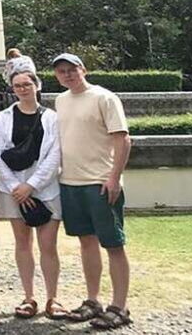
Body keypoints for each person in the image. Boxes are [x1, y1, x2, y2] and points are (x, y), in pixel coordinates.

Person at [52, 53, 133, 330]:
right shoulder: (60, 101)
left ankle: (120, 306)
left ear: (82, 69)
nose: (67, 74)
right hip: (70, 182)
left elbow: (122, 139)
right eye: (61, 71)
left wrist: (114, 177)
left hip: (100, 182)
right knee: (86, 243)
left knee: (113, 244)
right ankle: (92, 300)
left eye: (71, 69)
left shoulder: (104, 98)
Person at [0, 70, 67, 320]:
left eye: (26, 84)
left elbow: (54, 155)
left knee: (48, 246)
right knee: (22, 244)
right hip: (12, 190)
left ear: (37, 86)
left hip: (45, 189)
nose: (22, 89)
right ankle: (28, 296)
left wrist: (31, 186)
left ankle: (52, 298)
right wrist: (17, 187)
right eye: (17, 85)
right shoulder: (2, 118)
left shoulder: (52, 118)